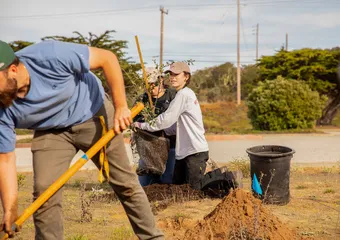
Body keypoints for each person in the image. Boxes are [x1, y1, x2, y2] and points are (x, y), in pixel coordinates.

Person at [0, 40, 164, 240]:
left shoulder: (49, 55)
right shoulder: (1, 107)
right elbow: (5, 159)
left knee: (125, 184)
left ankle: (153, 237)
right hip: (50, 131)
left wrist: (121, 106)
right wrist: (9, 209)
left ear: (13, 70)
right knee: (44, 193)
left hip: (92, 114)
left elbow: (107, 58)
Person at [134, 62, 209, 190]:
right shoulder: (181, 94)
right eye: (171, 74)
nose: (173, 77)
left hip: (194, 151)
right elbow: (174, 126)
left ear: (186, 76)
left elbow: (165, 120)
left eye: (177, 74)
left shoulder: (183, 95)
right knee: (178, 191)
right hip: (184, 153)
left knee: (193, 193)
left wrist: (142, 125)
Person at [133, 67, 177, 186]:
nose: (152, 87)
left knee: (167, 181)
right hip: (148, 149)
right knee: (145, 184)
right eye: (148, 84)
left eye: (154, 83)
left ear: (161, 80)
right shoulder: (142, 100)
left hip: (171, 147)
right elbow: (134, 121)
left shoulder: (173, 96)